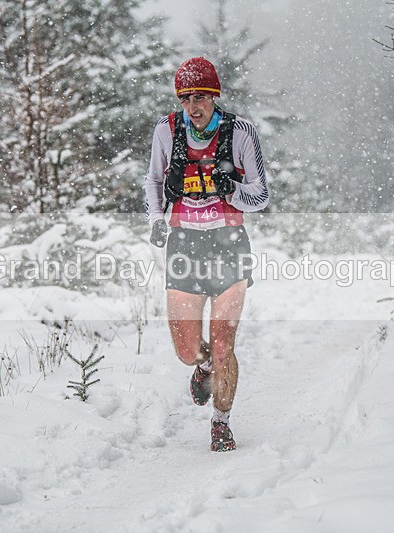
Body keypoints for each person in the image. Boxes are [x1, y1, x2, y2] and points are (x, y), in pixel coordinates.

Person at [144, 57, 270, 452]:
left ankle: (221, 422)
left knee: (222, 344)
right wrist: (156, 219)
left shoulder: (240, 132)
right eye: (185, 99)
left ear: (214, 96)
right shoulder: (167, 130)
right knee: (186, 350)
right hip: (185, 243)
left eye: (200, 97)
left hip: (229, 243)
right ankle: (201, 367)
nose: (193, 106)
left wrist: (231, 188)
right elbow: (153, 180)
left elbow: (261, 196)